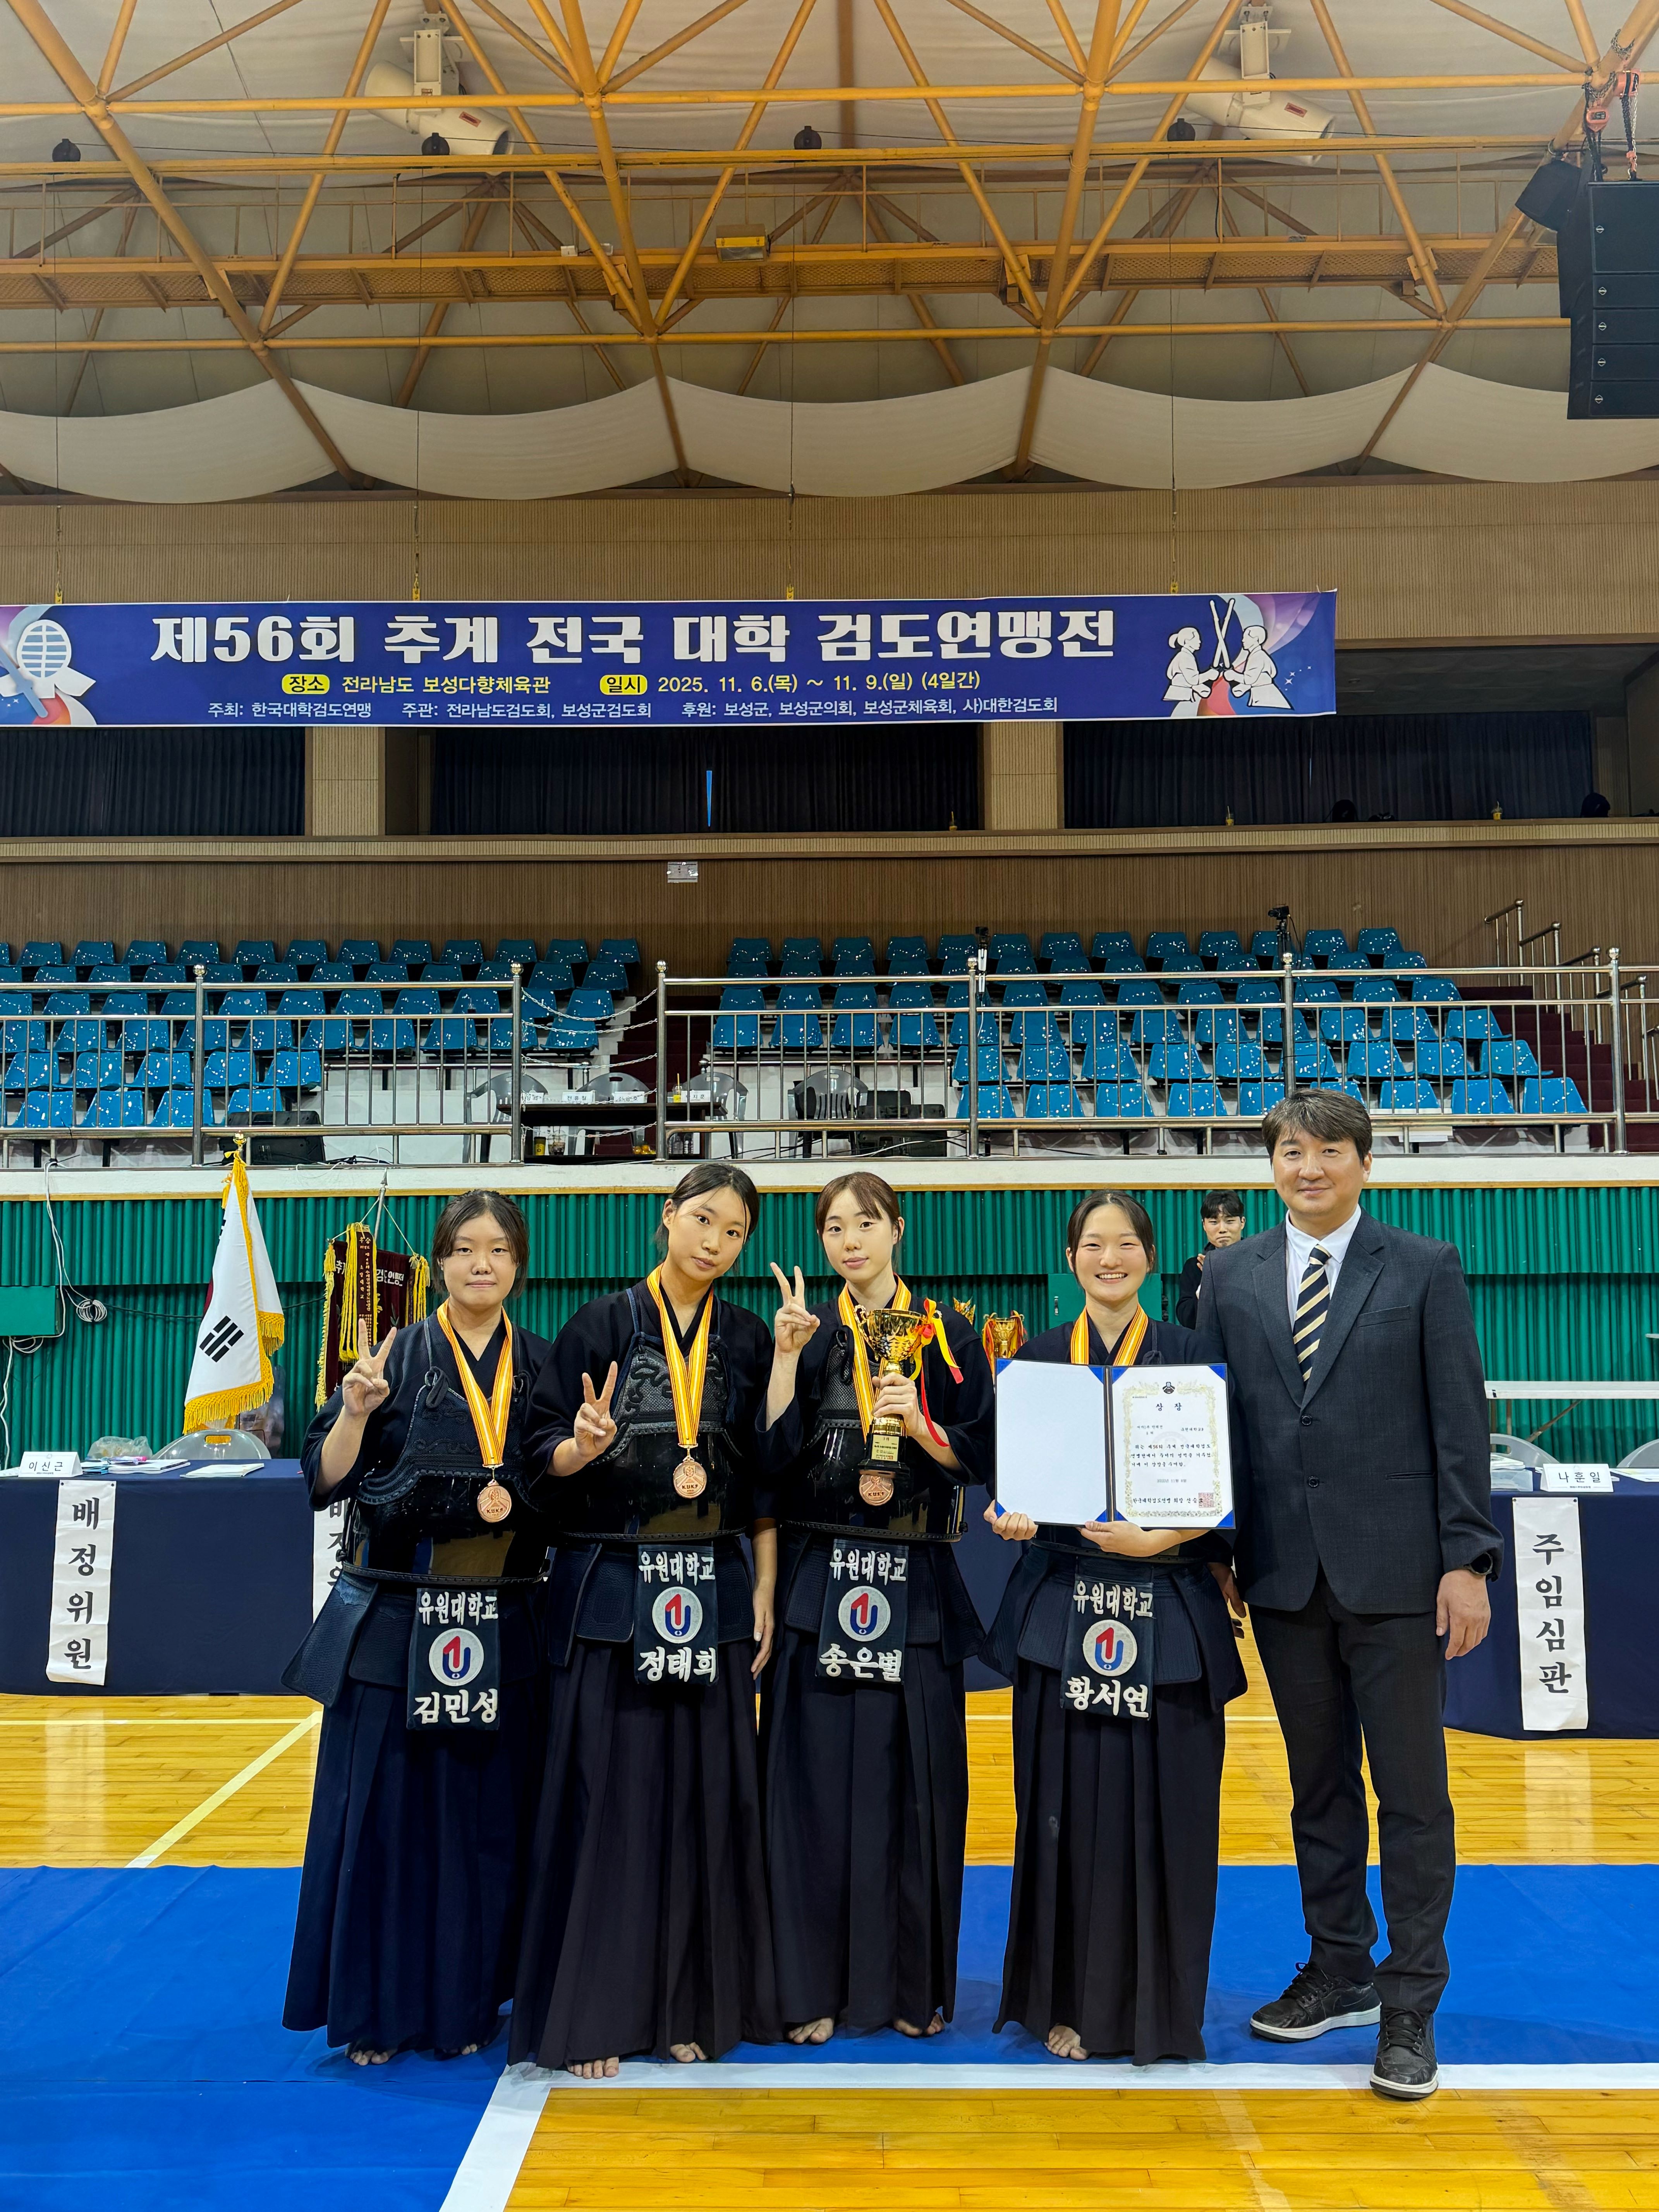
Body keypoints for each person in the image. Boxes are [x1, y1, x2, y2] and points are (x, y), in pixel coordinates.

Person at [1199, 1091, 1501, 2101]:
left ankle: (1410, 2003)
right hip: (1282, 1577)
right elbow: (1213, 1425)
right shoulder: (1227, 1277)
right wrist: (1216, 1547)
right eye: (1292, 1152)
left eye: (1330, 1150)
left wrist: (1468, 1561)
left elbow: (1459, 1421)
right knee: (1317, 1791)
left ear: (1364, 1164)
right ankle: (1339, 1970)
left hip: (1401, 1577)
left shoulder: (1422, 1268)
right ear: (1272, 1168)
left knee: (1412, 1798)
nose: (1310, 1167)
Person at [509, 1164, 779, 2078]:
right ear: (668, 1218)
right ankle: (598, 2014)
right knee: (609, 1802)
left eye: (734, 1232)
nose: (715, 1242)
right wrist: (578, 1449)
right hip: (612, 1594)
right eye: (702, 1219)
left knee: (707, 1799)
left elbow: (763, 1482)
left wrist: (764, 1589)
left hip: (713, 1592)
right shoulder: (599, 1324)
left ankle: (693, 2005)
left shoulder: (748, 1338)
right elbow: (537, 1453)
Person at [283, 1193, 553, 2065]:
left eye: (498, 1250)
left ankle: (470, 2004)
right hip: (396, 1628)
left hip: (503, 1627)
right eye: (465, 1249)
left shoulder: (541, 1364)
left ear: (517, 1265)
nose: (482, 1264)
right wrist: (355, 1413)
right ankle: (378, 2013)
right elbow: (322, 1481)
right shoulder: (390, 1357)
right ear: (440, 1264)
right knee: (386, 1826)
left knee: (486, 1826)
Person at [982, 1192, 1247, 2066]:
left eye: (1125, 1243)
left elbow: (1234, 1481)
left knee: (1168, 1814)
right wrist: (1011, 1516)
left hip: (1168, 1602)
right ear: (1070, 1261)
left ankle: (1157, 2010)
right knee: (1061, 1810)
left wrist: (1163, 1538)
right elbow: (1011, 1483)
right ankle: (1065, 1999)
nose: (1109, 1258)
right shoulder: (1036, 1361)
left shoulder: (1194, 1356)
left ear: (1149, 1257)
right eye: (1092, 1244)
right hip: (1061, 1605)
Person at [758, 1171, 993, 2046]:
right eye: (833, 1227)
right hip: (819, 1583)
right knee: (811, 1791)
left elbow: (982, 1453)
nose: (849, 1241)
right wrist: (784, 1358)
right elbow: (771, 1461)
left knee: (914, 1792)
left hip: (915, 1584)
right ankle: (810, 1987)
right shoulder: (808, 1333)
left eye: (865, 1223)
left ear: (898, 1228)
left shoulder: (948, 1334)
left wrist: (923, 1428)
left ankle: (909, 1984)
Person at [1175, 1190, 1247, 1329]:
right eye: (1214, 1222)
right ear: (1204, 1225)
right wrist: (1208, 1283)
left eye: (1230, 1221)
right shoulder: (1194, 1267)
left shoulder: (1259, 1263)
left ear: (1242, 1222)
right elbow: (1187, 1320)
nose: (1222, 1229)